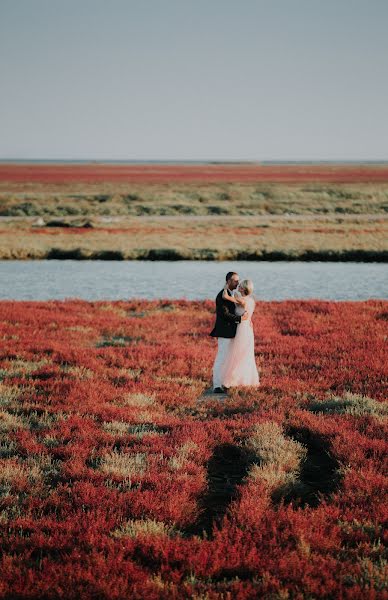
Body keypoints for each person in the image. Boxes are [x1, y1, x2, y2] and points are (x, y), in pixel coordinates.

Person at [210, 271, 249, 392]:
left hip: (233, 332)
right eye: (235, 280)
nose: (238, 282)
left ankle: (226, 382)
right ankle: (217, 385)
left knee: (229, 358)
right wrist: (240, 319)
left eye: (238, 280)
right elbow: (224, 314)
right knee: (221, 358)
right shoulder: (221, 295)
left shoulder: (233, 294)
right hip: (224, 332)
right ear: (228, 281)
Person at [219, 279, 260, 388]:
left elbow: (225, 297)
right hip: (248, 329)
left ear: (244, 288)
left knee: (237, 353)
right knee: (245, 354)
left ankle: (234, 380)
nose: (238, 286)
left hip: (241, 329)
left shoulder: (242, 300)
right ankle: (244, 379)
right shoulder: (251, 300)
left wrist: (226, 286)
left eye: (240, 285)